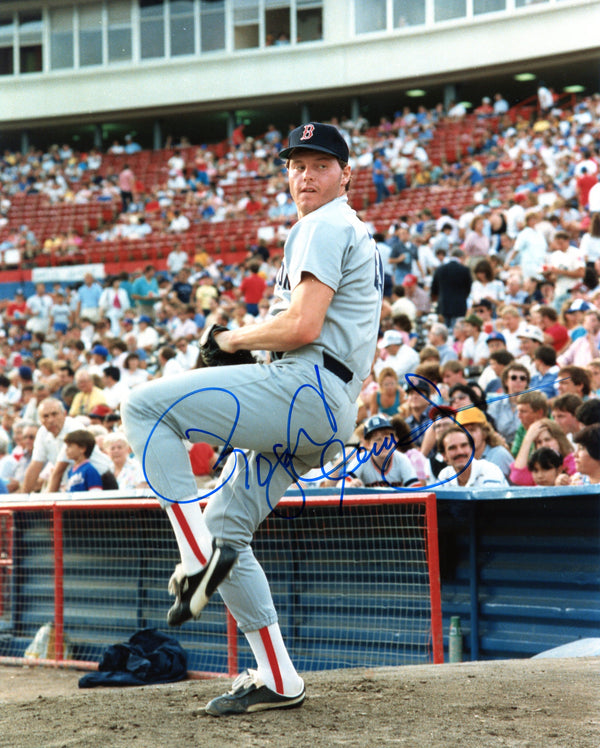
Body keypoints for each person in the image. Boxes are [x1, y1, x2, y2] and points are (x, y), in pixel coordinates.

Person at [121, 122, 383, 716]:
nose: (305, 175)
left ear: (346, 175)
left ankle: (194, 562)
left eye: (320, 165)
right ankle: (278, 675)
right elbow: (311, 327)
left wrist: (233, 338)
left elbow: (302, 327)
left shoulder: (324, 222)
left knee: (141, 405)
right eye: (296, 164)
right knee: (226, 526)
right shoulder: (351, 231)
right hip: (325, 408)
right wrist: (247, 343)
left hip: (304, 389)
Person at [343, 415, 419, 488]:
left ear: (395, 440)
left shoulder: (402, 459)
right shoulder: (362, 459)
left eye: (388, 438)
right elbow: (341, 484)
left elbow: (416, 489)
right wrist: (350, 484)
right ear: (367, 444)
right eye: (378, 439)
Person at [510, 418, 575, 486]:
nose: (544, 445)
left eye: (547, 439)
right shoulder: (537, 465)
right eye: (539, 442)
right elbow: (517, 477)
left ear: (559, 440)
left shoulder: (573, 461)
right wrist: (528, 439)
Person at [436, 426, 508, 487]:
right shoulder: (445, 475)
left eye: (464, 445)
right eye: (452, 448)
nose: (460, 452)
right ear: (444, 456)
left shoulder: (489, 471)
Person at [430, 248, 472, 328]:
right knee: (458, 329)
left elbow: (434, 289)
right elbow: (468, 288)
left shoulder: (440, 269)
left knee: (445, 329)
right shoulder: (464, 270)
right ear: (461, 257)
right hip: (459, 305)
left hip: (444, 304)